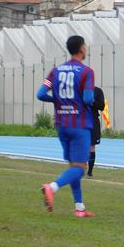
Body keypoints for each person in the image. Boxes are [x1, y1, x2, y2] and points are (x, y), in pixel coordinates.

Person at [37, 35, 97, 217]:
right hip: (79, 124)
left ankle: (79, 208)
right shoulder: (86, 72)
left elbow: (40, 94)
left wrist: (57, 100)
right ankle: (52, 187)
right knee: (80, 168)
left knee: (74, 167)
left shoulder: (55, 71)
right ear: (82, 49)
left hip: (62, 124)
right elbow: (88, 98)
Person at [86, 86, 105, 178]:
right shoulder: (78, 89)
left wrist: (92, 101)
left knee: (91, 147)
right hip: (80, 120)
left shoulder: (97, 91)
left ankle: (89, 172)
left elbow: (102, 107)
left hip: (93, 121)